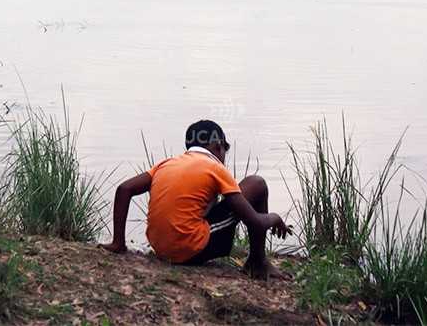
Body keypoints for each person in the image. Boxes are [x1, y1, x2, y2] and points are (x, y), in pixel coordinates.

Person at [100, 120, 290, 279]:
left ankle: (118, 243)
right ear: (218, 146)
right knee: (257, 184)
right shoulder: (215, 167)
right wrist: (275, 218)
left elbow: (124, 189)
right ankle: (258, 262)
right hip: (189, 249)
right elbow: (255, 222)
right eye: (225, 150)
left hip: (160, 249)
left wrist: (118, 242)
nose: (223, 157)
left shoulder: (167, 163)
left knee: (236, 194)